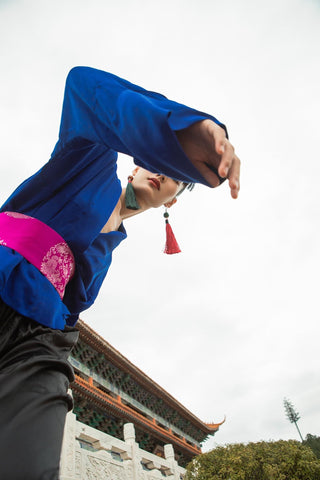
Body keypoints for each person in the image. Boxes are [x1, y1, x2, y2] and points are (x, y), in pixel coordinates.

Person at [0, 66, 240, 479]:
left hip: (38, 347)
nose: (164, 171)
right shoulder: (89, 161)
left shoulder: (110, 248)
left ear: (174, 200)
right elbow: (83, 85)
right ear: (136, 163)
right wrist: (177, 130)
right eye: (162, 160)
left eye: (180, 178)